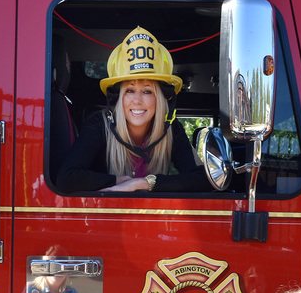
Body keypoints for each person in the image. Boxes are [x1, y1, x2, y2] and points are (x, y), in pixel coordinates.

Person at [55, 26, 208, 194]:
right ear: (118, 97)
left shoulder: (171, 129)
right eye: (129, 90)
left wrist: (142, 183)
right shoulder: (99, 126)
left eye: (148, 91)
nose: (137, 100)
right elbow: (66, 178)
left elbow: (201, 179)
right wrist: (118, 180)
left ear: (160, 98)